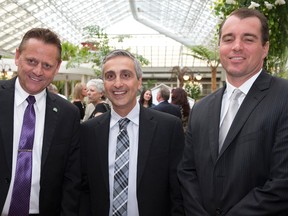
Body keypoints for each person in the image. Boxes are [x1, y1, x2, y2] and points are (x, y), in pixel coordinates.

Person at [178, 8, 288, 216]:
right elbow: (187, 173)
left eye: (248, 39)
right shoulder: (201, 108)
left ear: (265, 48)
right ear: (220, 46)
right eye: (228, 39)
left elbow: (283, 183)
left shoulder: (283, 98)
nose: (237, 47)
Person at [80, 49, 184, 216]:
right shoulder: (88, 131)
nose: (118, 83)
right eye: (110, 76)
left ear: (139, 81)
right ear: (104, 84)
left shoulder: (168, 128)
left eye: (126, 75)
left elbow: (178, 192)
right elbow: (83, 190)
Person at [0, 28, 81, 216]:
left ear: (57, 67)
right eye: (31, 61)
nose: (37, 71)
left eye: (47, 65)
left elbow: (72, 178)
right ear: (17, 56)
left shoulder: (68, 114)